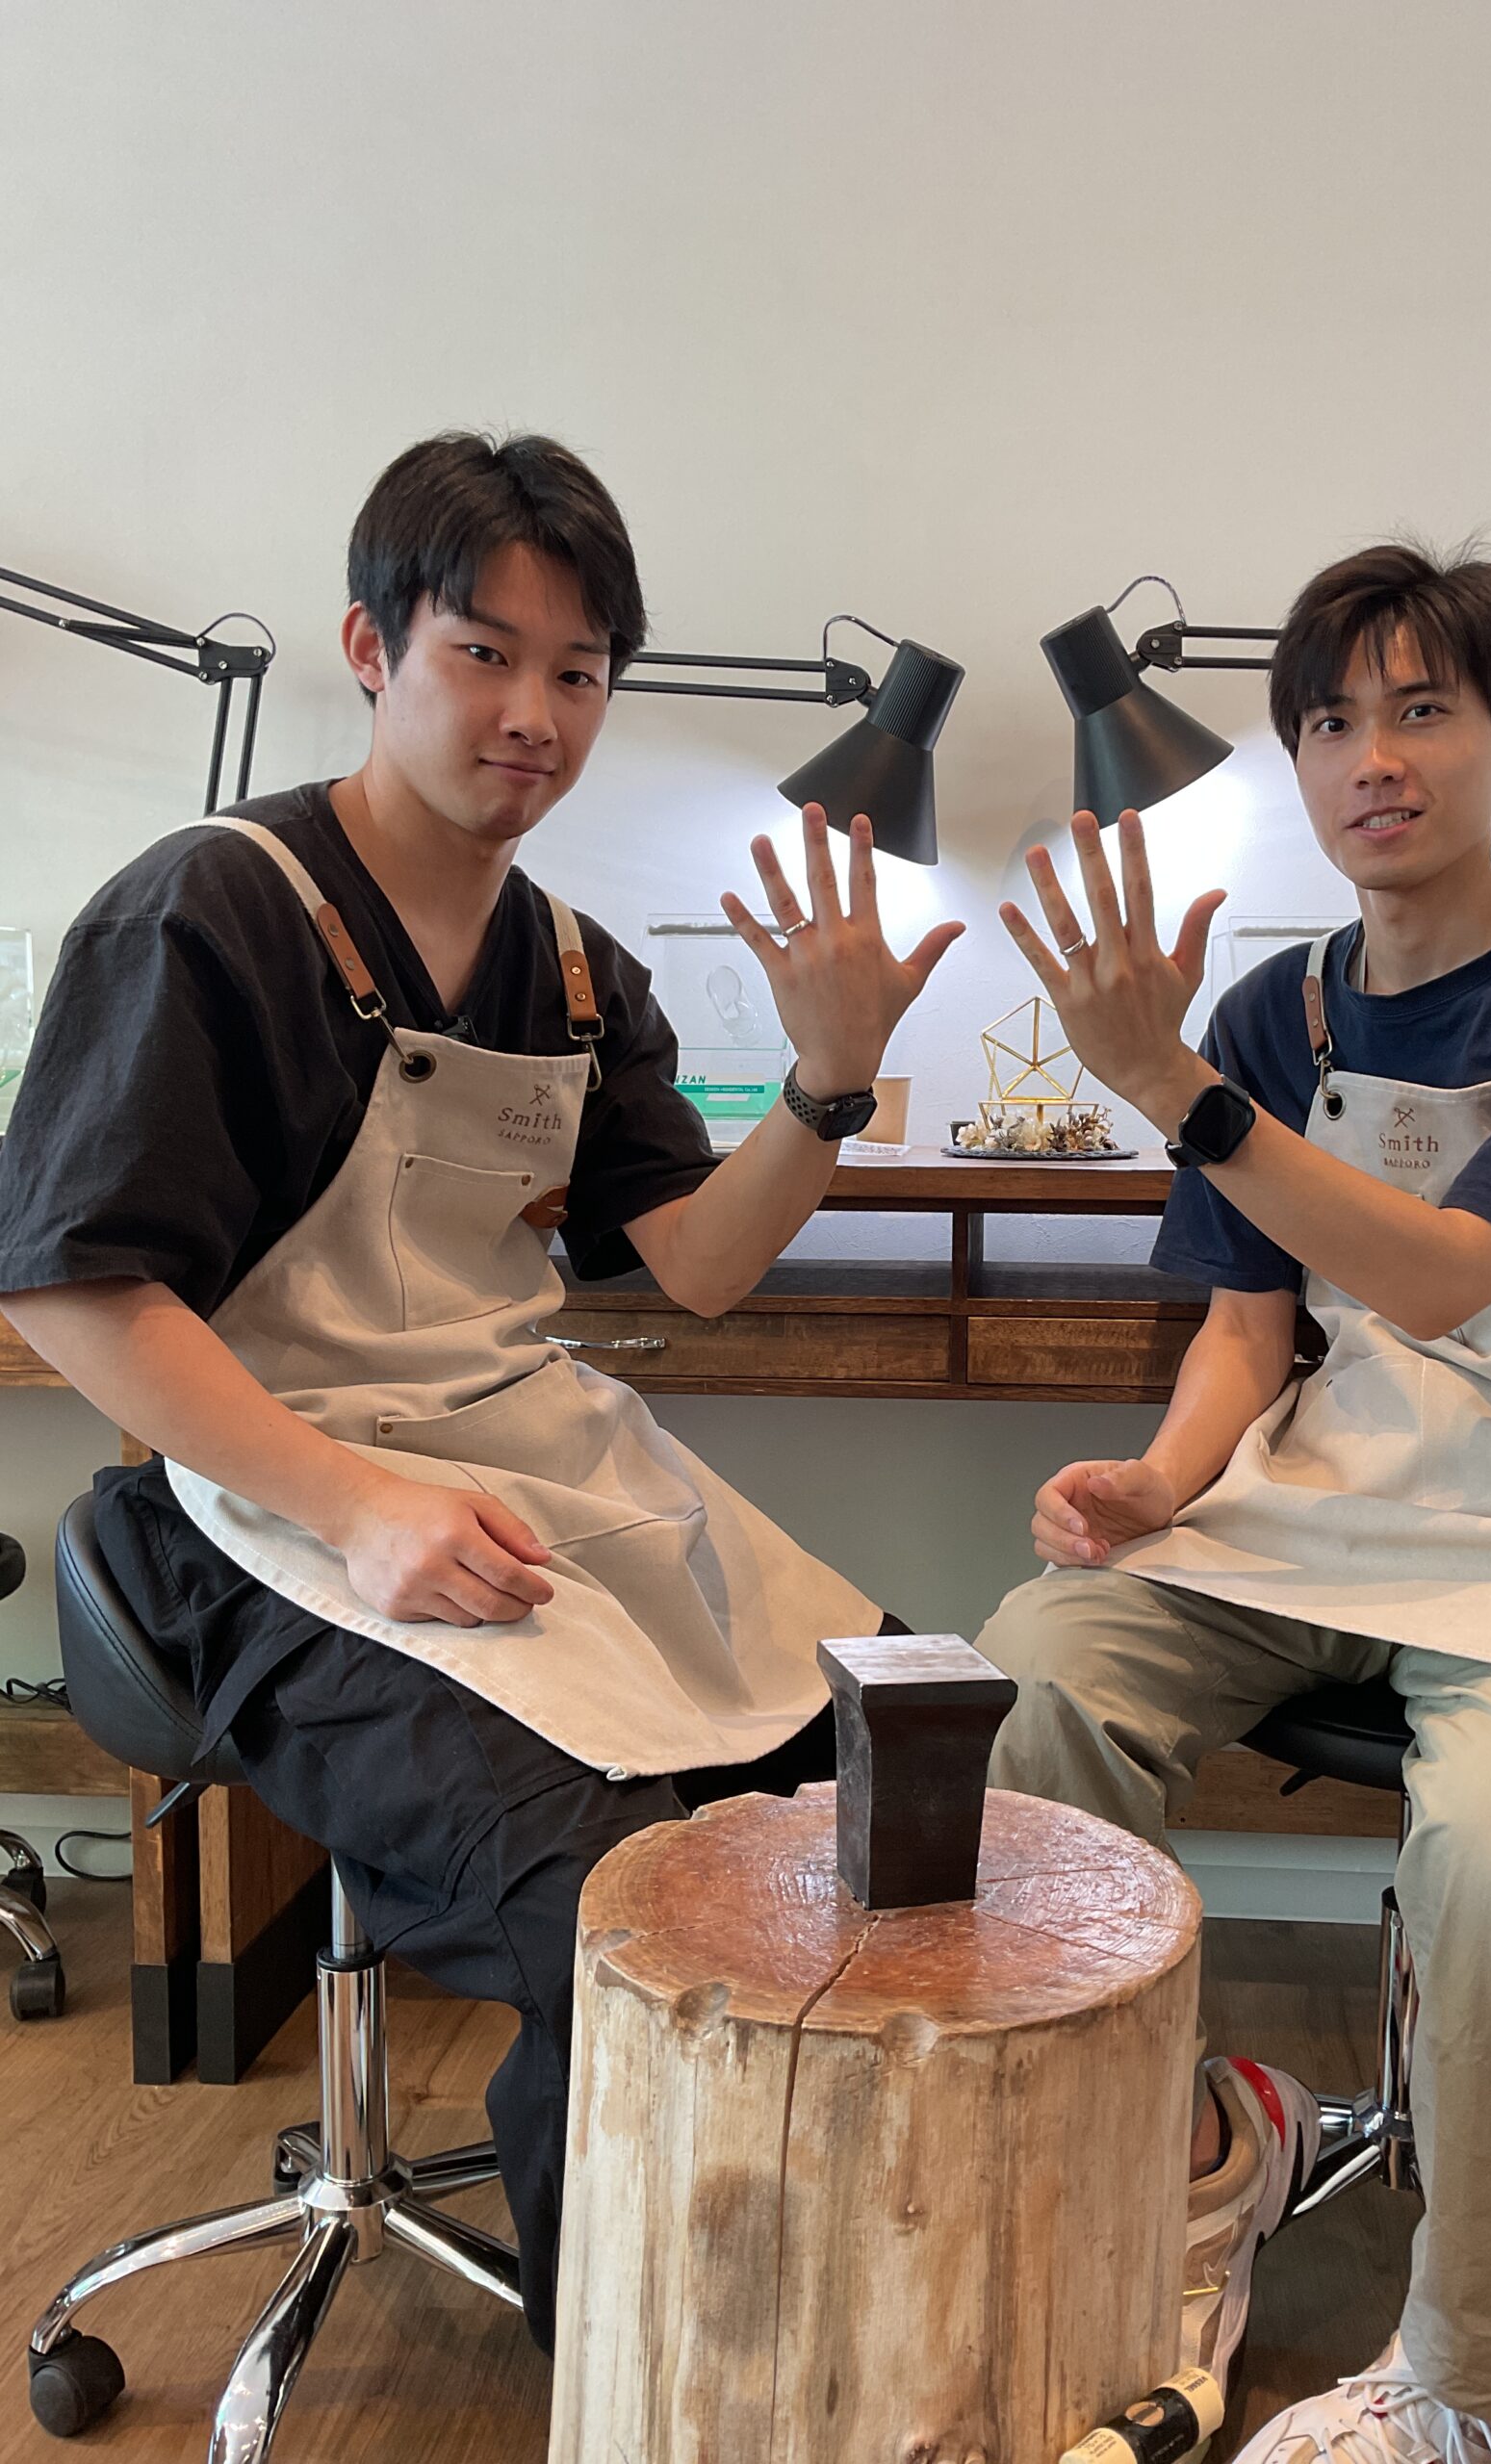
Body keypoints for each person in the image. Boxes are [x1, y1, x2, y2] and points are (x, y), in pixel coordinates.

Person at [0, 429, 963, 2349]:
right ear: (372, 646)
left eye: (579, 671)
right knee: (621, 1911)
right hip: (270, 1518)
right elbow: (75, 1288)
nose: (536, 713)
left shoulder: (576, 972)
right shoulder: (208, 910)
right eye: (486, 654)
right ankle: (643, 2370)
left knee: (904, 1781)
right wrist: (361, 1504)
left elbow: (694, 1263)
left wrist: (828, 1084)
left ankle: (831, 2306)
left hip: (531, 1471)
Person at [976, 543, 1491, 2463]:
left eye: (1421, 711)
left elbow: (1455, 1280)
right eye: (1331, 722)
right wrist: (1158, 1477)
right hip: (1319, 1506)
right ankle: (1182, 2168)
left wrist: (1174, 1086)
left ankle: (1479, 2380)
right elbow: (1255, 1325)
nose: (1372, 759)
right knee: (1019, 1680)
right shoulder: (1278, 1010)